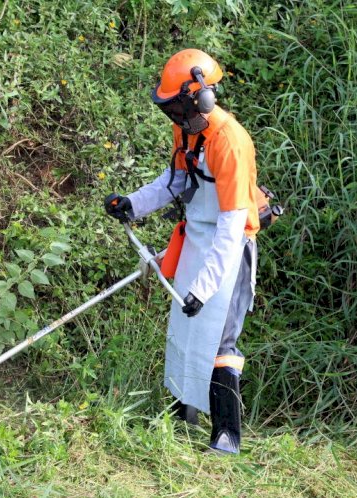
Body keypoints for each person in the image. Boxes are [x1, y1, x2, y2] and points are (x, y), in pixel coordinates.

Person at [104, 49, 260, 454]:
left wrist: (205, 289)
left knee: (218, 339)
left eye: (176, 105)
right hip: (194, 238)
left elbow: (230, 226)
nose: (172, 114)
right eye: (169, 107)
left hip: (229, 247)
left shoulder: (230, 143)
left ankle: (227, 435)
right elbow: (175, 180)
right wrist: (133, 204)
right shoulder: (188, 130)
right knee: (185, 330)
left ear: (201, 99)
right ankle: (181, 415)